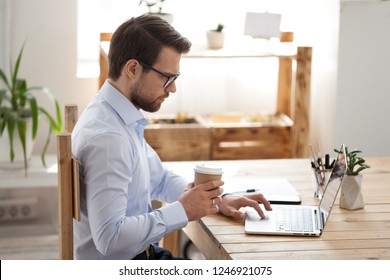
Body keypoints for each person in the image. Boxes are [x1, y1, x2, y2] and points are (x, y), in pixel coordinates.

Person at [72, 14, 272, 260]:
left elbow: (161, 179)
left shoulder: (114, 114)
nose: (173, 88)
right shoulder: (109, 138)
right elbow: (110, 237)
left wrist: (218, 200)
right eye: (167, 77)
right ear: (132, 69)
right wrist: (183, 210)